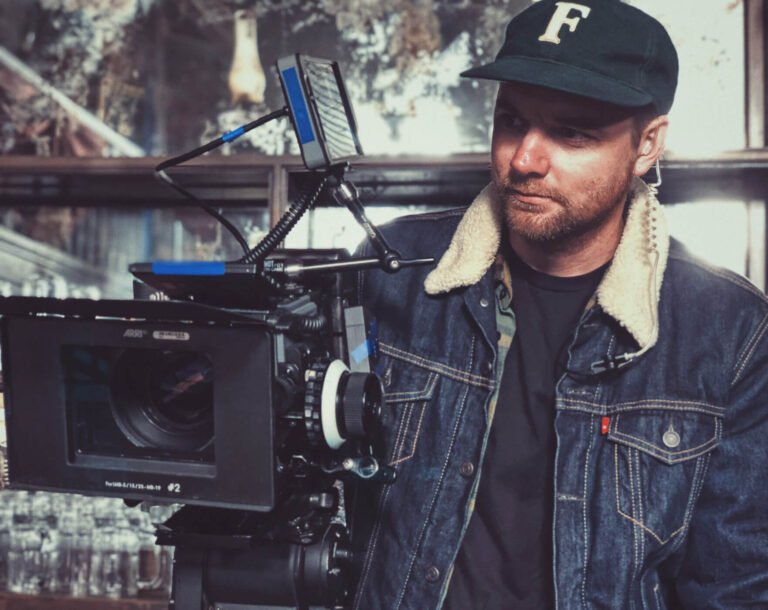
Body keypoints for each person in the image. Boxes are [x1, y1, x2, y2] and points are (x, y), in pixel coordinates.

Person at [348, 0, 768, 609]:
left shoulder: (729, 330)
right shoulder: (393, 269)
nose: (524, 159)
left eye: (572, 132)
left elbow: (736, 585)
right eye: (512, 121)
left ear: (647, 144)